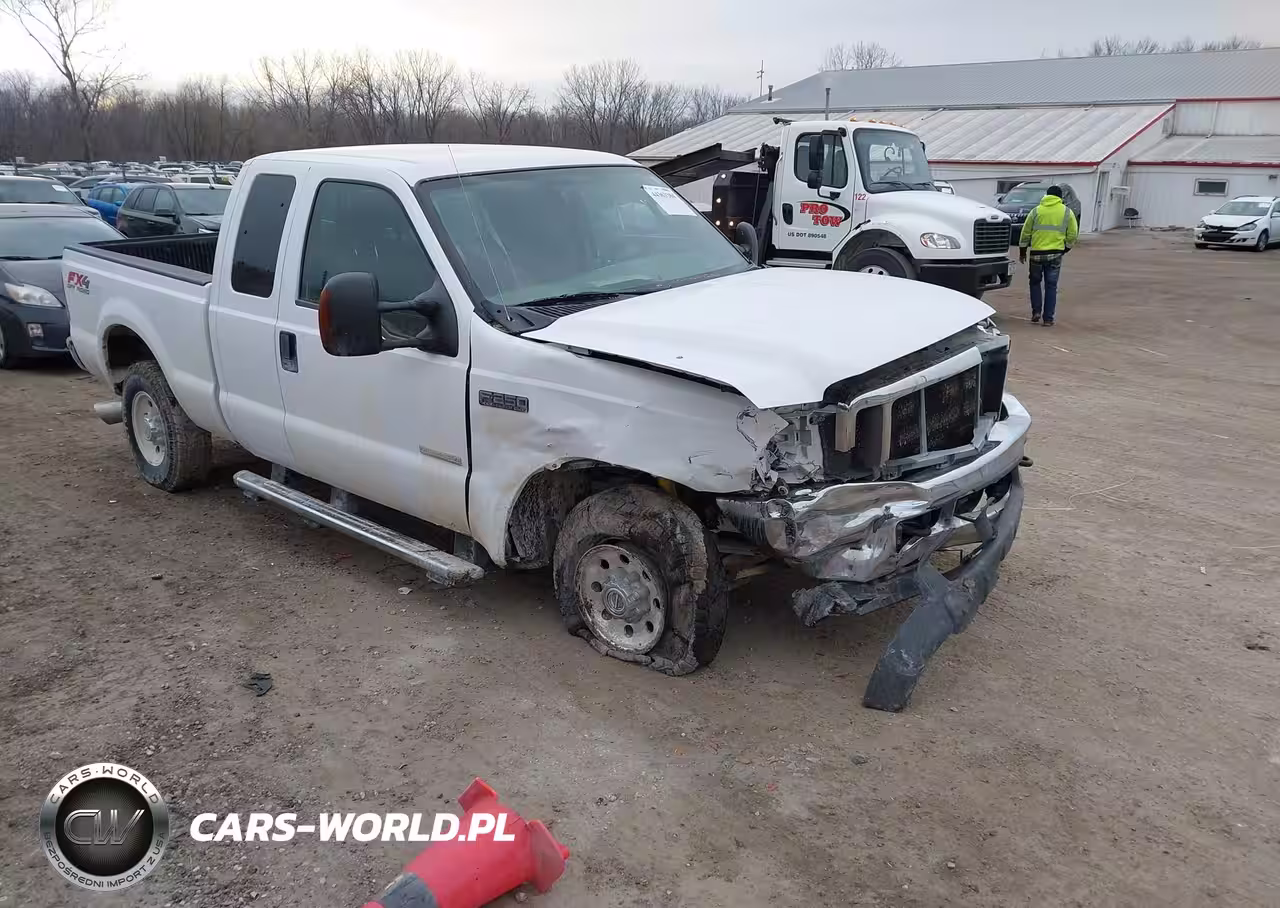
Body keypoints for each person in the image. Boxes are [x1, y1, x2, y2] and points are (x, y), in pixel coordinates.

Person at [1018, 185, 1079, 326]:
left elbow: (1025, 232)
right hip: (1055, 254)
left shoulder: (1036, 211)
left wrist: (1022, 251)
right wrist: (1066, 248)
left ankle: (1036, 312)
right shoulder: (1067, 212)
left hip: (1036, 254)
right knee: (1051, 286)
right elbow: (1073, 233)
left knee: (1034, 283)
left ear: (1046, 195)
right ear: (1060, 198)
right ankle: (1048, 319)